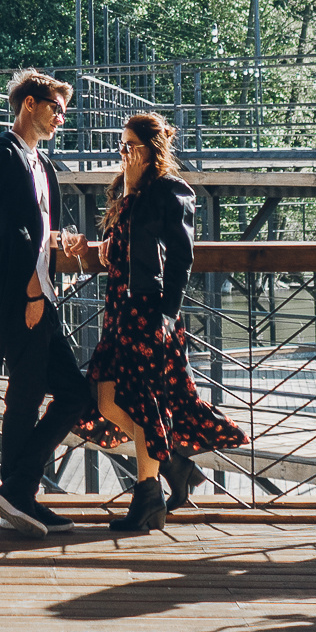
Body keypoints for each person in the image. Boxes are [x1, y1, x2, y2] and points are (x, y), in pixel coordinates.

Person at [73, 112, 244, 532]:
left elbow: (182, 258)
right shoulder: (126, 189)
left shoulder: (170, 190)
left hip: (148, 313)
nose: (123, 153)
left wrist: (168, 313)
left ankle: (148, 498)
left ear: (152, 149)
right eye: (121, 146)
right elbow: (129, 242)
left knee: (144, 403)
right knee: (105, 399)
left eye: (130, 146)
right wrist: (102, 246)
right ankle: (174, 464)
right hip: (119, 311)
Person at [0, 68, 94, 538]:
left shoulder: (40, 163)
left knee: (62, 393)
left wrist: (62, 239)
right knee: (32, 394)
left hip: (40, 292)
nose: (61, 118)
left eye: (64, 111)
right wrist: (33, 293)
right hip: (22, 296)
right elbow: (8, 233)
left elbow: (36, 230)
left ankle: (17, 493)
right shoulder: (3, 156)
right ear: (29, 104)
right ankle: (18, 492)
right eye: (55, 108)